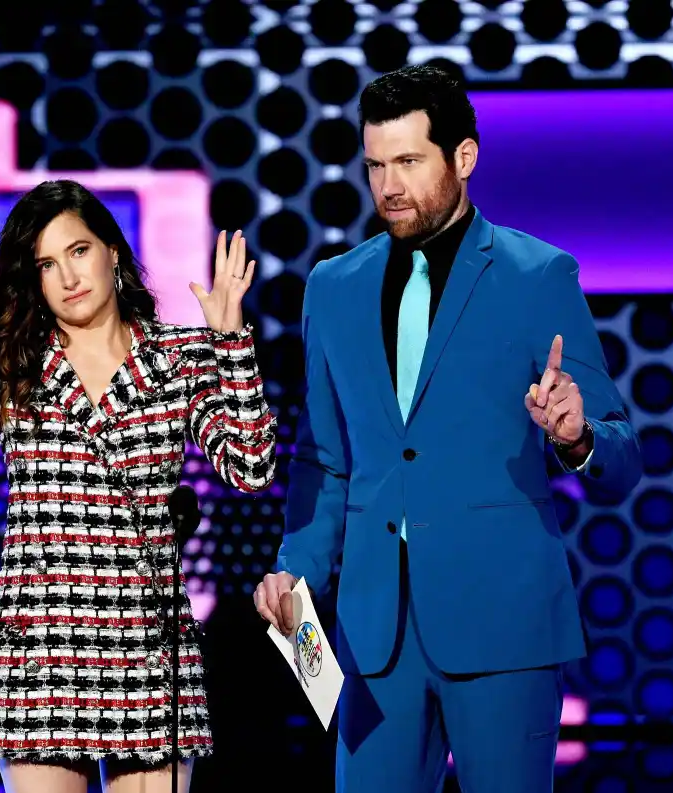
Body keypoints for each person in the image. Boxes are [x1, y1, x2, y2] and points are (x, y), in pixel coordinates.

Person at [253, 65, 642, 793]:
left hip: (504, 627)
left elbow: (622, 456)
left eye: (408, 161)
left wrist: (577, 436)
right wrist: (296, 570)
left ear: (464, 157)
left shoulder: (536, 275)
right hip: (374, 636)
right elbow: (324, 459)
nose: (389, 186)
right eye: (375, 165)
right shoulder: (333, 287)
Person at [0, 180, 277, 793]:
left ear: (112, 251)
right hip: (41, 645)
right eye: (46, 264)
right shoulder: (7, 361)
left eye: (78, 251)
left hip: (146, 645)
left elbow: (251, 467)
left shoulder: (177, 358)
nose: (69, 277)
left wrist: (231, 341)